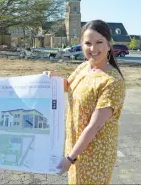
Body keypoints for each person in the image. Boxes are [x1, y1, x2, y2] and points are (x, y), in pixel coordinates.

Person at [45, 20, 126, 184]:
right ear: (81, 44)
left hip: (95, 155)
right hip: (75, 146)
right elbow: (70, 86)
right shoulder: (84, 67)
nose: (93, 49)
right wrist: (51, 80)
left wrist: (70, 158)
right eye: (88, 43)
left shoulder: (112, 81)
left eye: (99, 42)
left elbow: (94, 126)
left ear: (109, 45)